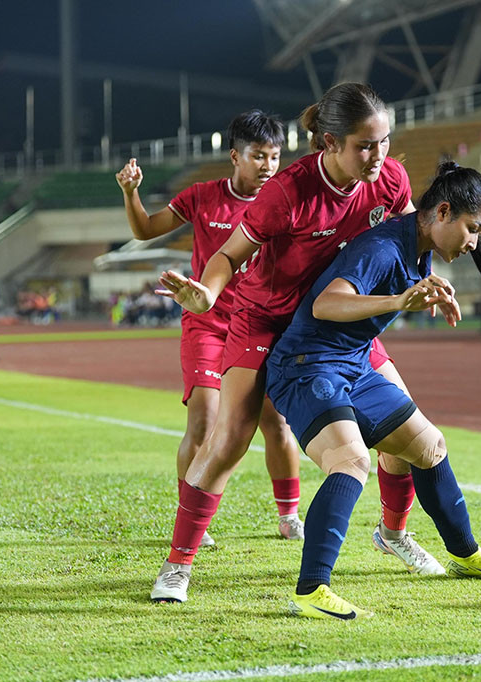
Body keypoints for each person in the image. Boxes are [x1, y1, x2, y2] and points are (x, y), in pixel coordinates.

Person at [150, 82, 448, 604]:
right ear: (329, 143)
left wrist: (419, 286)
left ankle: (394, 534)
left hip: (338, 327)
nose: (378, 156)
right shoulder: (287, 191)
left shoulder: (390, 180)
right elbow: (227, 255)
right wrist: (207, 294)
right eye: (364, 145)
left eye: (383, 142)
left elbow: (401, 242)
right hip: (266, 320)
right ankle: (178, 566)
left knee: (400, 417)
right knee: (229, 439)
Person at [267, 162, 481, 619]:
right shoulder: (387, 247)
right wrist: (398, 301)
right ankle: (311, 589)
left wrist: (429, 291)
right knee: (351, 461)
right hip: (306, 366)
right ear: (443, 212)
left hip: (352, 364)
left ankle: (466, 555)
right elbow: (328, 302)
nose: (474, 243)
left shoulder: (419, 247)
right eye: (472, 229)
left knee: (429, 447)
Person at [115, 111, 305, 549]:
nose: (268, 166)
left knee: (275, 422)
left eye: (275, 157)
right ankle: (194, 518)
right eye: (259, 156)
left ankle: (289, 515)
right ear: (235, 156)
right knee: (203, 421)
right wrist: (131, 193)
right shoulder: (202, 196)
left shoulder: (283, 201)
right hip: (206, 323)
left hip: (260, 325)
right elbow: (145, 229)